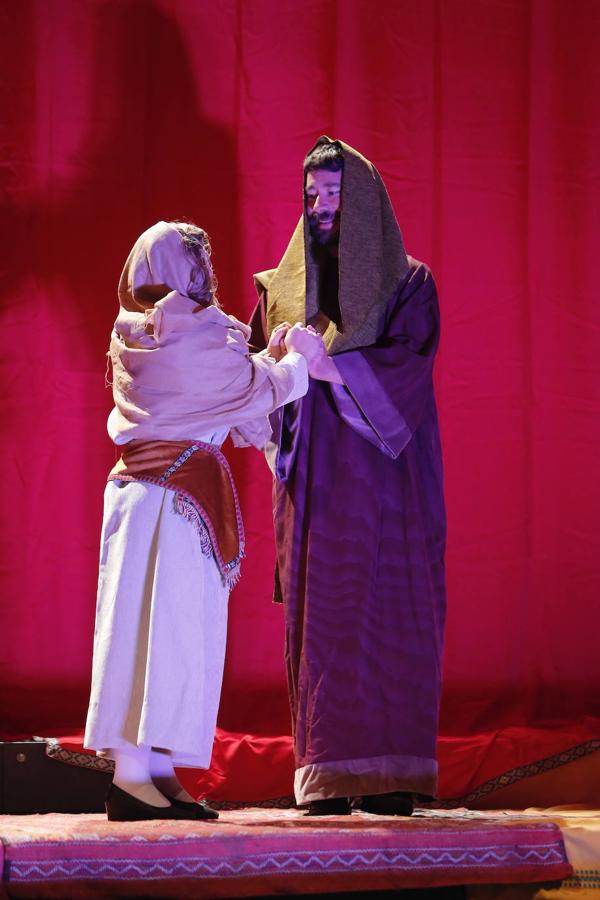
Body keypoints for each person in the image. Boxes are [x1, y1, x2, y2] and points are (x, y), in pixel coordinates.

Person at [84, 220, 321, 821]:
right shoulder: (184, 336)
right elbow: (251, 389)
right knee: (155, 635)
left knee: (170, 635)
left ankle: (156, 770)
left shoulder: (147, 332)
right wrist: (297, 361)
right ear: (168, 269)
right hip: (171, 501)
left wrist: (267, 359)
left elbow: (223, 390)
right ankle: (131, 778)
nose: (205, 272)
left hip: (151, 499)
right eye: (194, 261)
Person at [250, 137, 446, 816]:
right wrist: (272, 364)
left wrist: (329, 366)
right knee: (325, 623)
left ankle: (392, 778)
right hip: (317, 490)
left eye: (334, 193)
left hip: (390, 489)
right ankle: (326, 777)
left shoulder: (408, 283)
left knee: (393, 615)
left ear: (364, 203)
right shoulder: (280, 292)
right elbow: (256, 387)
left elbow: (408, 370)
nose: (321, 206)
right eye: (312, 194)